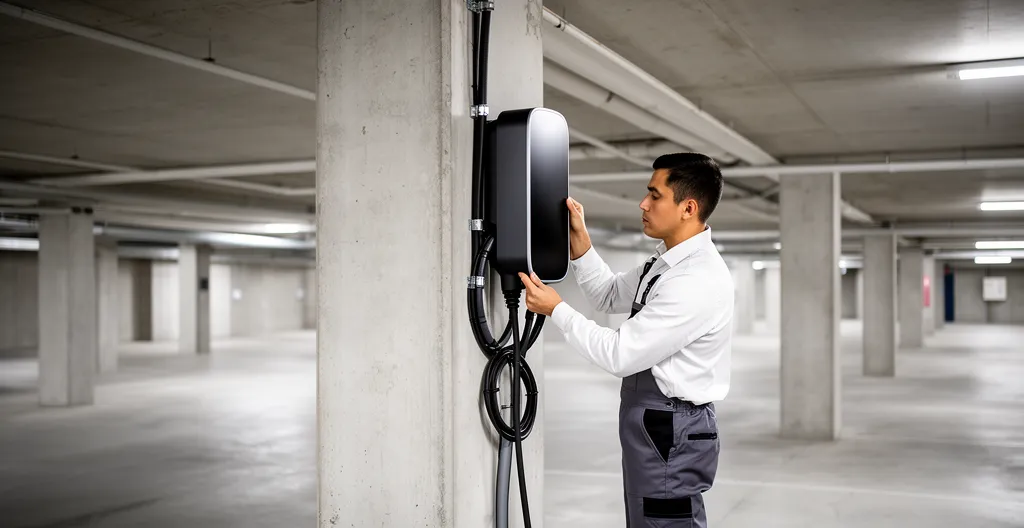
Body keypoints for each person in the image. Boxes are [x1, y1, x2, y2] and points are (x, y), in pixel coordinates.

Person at [518, 152, 734, 527]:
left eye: (654, 195)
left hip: (670, 425)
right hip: (654, 421)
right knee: (646, 517)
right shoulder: (667, 263)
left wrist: (557, 310)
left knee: (664, 521)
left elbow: (620, 354)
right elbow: (608, 294)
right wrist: (581, 242)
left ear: (688, 208)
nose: (643, 203)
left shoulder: (695, 279)